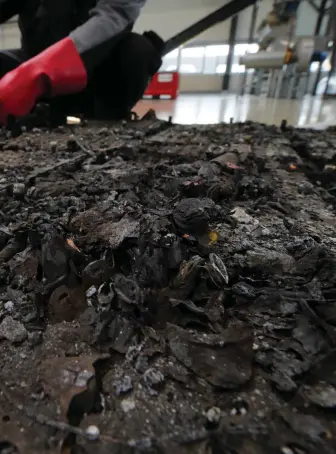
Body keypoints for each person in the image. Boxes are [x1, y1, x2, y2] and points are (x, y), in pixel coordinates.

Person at [0, 1, 164, 125]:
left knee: (138, 51)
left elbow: (113, 16)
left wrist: (42, 71)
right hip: (31, 65)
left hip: (98, 76)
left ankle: (104, 120)